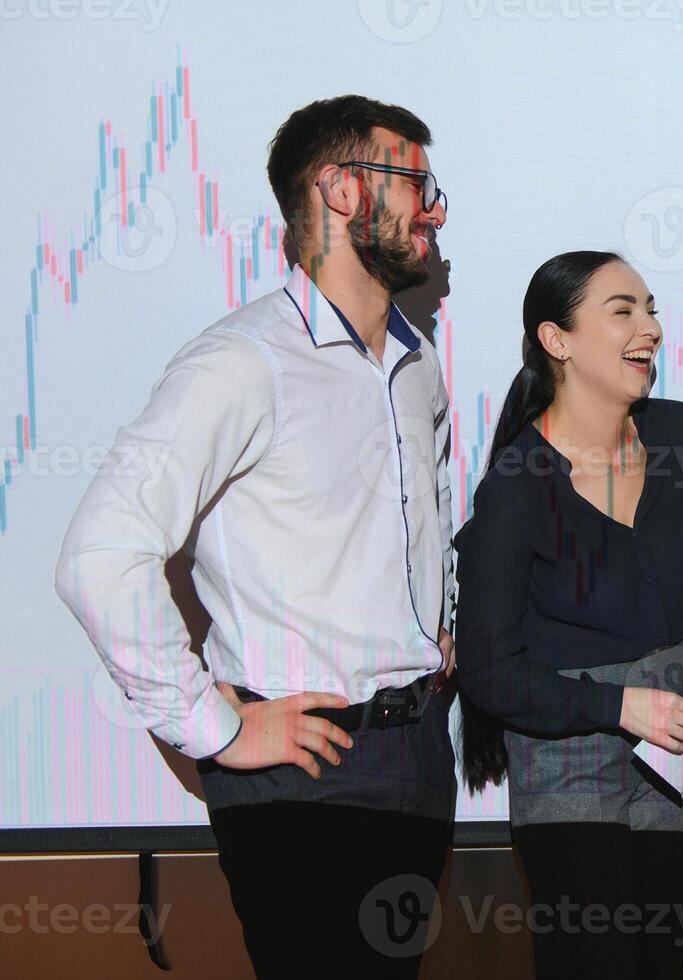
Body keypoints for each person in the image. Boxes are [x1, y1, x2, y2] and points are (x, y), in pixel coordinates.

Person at [55, 96, 457, 978]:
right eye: (416, 185)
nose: (433, 210)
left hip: (420, 757)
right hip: (305, 778)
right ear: (341, 189)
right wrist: (212, 726)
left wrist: (436, 627)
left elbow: (418, 516)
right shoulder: (242, 360)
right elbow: (100, 554)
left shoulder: (416, 362)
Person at [453, 250, 683, 979]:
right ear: (557, 339)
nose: (651, 328)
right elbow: (488, 673)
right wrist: (619, 706)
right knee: (591, 959)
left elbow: (678, 566)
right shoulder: (515, 487)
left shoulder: (679, 435)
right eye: (623, 310)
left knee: (660, 960)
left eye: (652, 309)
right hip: (567, 746)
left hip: (669, 739)